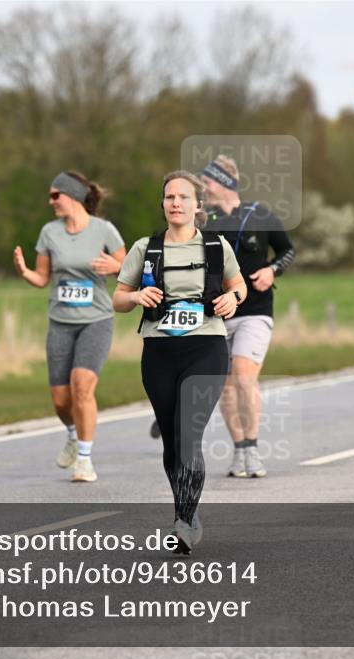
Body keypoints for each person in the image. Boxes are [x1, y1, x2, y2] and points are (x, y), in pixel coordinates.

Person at [112, 170, 246, 554]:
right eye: (169, 197)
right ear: (163, 204)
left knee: (189, 433)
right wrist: (137, 298)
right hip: (159, 351)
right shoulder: (146, 248)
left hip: (206, 347)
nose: (175, 203)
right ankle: (185, 510)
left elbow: (238, 285)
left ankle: (184, 522)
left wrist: (232, 299)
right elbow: (118, 299)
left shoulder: (216, 247)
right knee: (172, 442)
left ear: (197, 205)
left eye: (183, 198)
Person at [13, 172, 125, 483]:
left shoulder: (104, 230)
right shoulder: (50, 232)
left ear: (73, 195)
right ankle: (73, 434)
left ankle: (85, 461)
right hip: (60, 323)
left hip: (96, 320)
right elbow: (42, 278)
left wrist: (115, 266)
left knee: (82, 387)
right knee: (61, 400)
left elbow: (130, 268)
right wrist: (25, 272)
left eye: (55, 196)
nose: (51, 202)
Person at [200, 155, 295, 478]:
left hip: (255, 310)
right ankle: (240, 449)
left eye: (207, 181)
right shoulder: (205, 221)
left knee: (243, 374)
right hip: (217, 313)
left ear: (225, 182)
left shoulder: (261, 215)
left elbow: (288, 250)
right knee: (225, 384)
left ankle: (253, 448)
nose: (203, 188)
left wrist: (272, 270)